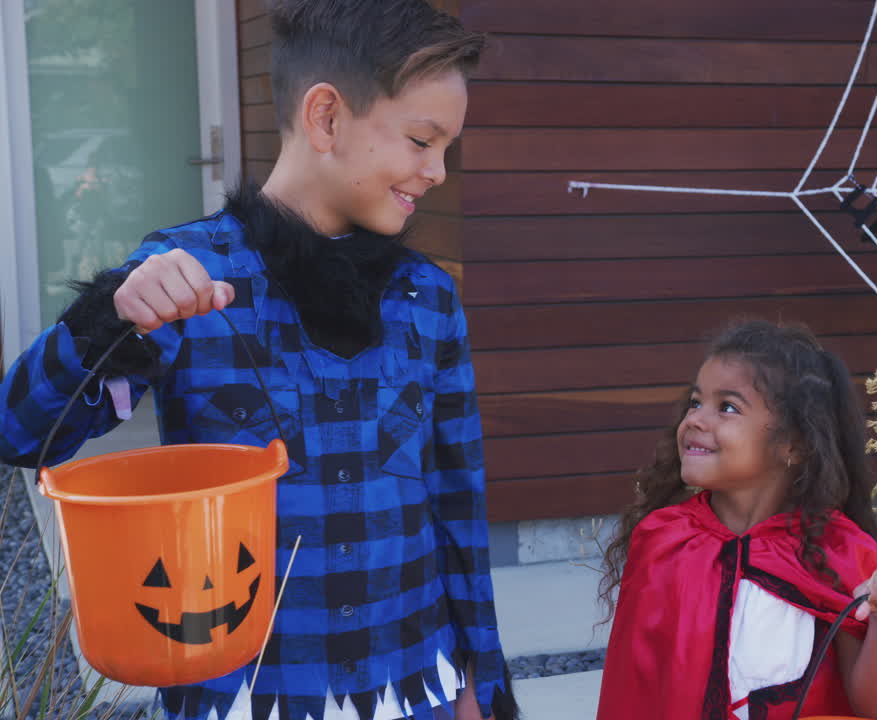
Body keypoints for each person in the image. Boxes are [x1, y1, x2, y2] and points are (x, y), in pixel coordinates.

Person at [0, 2, 516, 719]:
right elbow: (23, 434)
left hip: (411, 685)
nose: (436, 171)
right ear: (326, 118)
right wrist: (110, 316)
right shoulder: (186, 276)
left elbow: (457, 502)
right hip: (240, 695)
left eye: (447, 148)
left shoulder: (428, 299)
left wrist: (481, 682)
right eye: (422, 141)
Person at [596, 320, 877, 720]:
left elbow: (872, 708)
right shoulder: (664, 539)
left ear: (794, 444)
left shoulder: (837, 549)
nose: (696, 420)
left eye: (728, 407)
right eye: (695, 402)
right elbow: (633, 696)